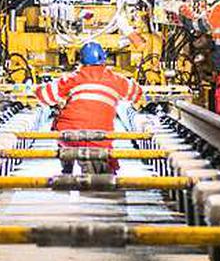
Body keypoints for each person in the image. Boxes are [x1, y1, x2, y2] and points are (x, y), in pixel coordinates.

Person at [33, 41, 143, 174]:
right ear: (104, 59)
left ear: (81, 61)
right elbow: (137, 93)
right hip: (99, 139)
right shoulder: (116, 80)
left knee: (59, 123)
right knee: (103, 170)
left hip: (69, 136)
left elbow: (44, 95)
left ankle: (67, 167)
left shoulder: (72, 78)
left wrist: (31, 87)